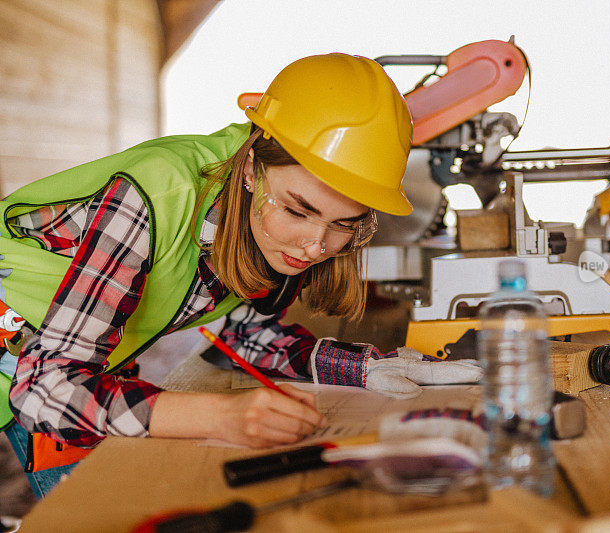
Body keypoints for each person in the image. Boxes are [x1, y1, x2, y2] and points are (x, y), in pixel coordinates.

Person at [0, 53, 482, 499]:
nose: (315, 246)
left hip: (65, 357)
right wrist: (220, 415)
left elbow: (244, 329)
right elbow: (46, 388)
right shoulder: (153, 195)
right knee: (99, 506)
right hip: (30, 364)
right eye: (298, 211)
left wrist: (363, 367)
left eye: (343, 224)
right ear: (252, 167)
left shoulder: (250, 215)